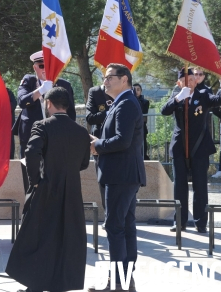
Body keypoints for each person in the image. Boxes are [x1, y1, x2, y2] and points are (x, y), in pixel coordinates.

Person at [6, 87, 90, 292]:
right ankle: (58, 284)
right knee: (66, 238)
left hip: (46, 188)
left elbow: (32, 152)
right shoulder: (81, 131)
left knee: (38, 237)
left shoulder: (42, 126)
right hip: (71, 192)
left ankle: (35, 285)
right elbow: (84, 163)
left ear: (49, 103)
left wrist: (35, 180)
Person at [88, 63, 146, 292]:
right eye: (104, 77)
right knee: (125, 226)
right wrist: (98, 141)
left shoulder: (126, 104)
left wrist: (97, 145)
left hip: (121, 175)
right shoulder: (121, 103)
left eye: (110, 77)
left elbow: (123, 140)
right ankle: (125, 281)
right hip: (122, 174)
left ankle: (118, 283)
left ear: (124, 79)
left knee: (115, 227)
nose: (105, 80)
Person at [161, 69, 221, 233]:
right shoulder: (176, 96)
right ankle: (180, 221)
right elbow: (165, 111)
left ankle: (200, 222)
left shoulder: (203, 95)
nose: (189, 82)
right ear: (179, 83)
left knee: (200, 186)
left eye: (192, 79)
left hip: (199, 147)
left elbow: (218, 99)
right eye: (185, 80)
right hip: (180, 147)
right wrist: (178, 98)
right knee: (180, 186)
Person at [13, 50, 76, 192]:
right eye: (42, 66)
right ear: (34, 67)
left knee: (55, 178)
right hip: (31, 137)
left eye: (49, 66)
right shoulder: (29, 81)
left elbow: (70, 113)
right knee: (31, 177)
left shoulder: (64, 85)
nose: (45, 70)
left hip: (56, 137)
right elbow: (22, 102)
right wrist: (41, 90)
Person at [85, 83, 113, 209]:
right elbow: (90, 117)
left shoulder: (124, 91)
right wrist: (109, 113)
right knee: (103, 180)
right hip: (100, 140)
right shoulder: (95, 92)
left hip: (120, 141)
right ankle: (108, 213)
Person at [133, 83, 151, 160]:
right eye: (134, 90)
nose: (136, 91)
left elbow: (143, 114)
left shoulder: (145, 102)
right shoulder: (129, 100)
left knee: (143, 144)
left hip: (141, 126)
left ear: (141, 91)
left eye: (138, 89)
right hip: (132, 126)